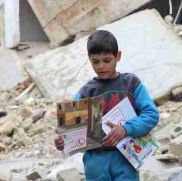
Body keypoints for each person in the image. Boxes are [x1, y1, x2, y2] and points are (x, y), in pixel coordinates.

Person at [54, 30, 159, 181]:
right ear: (89, 60)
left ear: (118, 56)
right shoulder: (85, 93)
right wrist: (63, 141)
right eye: (95, 61)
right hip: (95, 162)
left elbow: (151, 115)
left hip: (126, 157)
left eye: (107, 60)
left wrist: (125, 129)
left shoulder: (131, 83)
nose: (101, 66)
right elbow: (72, 134)